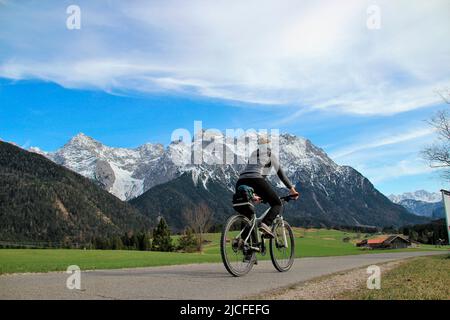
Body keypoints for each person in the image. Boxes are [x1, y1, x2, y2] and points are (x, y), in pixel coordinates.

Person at [236, 134, 299, 238]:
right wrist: (292, 189)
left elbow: (256, 172)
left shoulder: (253, 154)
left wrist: (255, 194)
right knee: (277, 203)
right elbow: (281, 175)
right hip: (255, 179)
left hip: (240, 181)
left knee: (247, 214)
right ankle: (265, 224)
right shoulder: (270, 154)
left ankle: (245, 247)